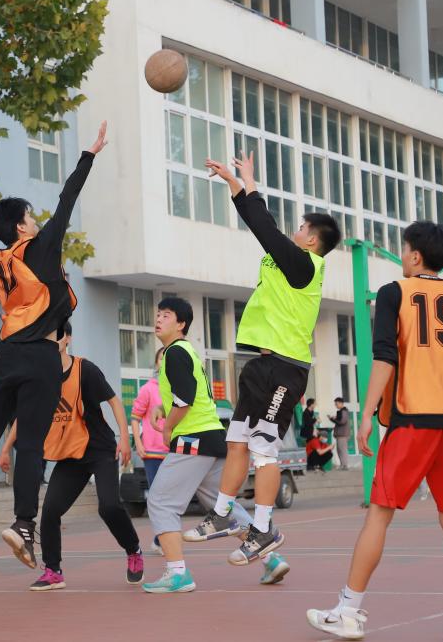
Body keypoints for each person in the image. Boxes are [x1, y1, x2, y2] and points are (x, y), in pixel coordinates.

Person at [306, 221, 443, 641]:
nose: (401, 257)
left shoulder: (395, 291)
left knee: (379, 514)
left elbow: (384, 356)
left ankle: (348, 610)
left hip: (413, 418)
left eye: (403, 250)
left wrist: (367, 412)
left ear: (414, 256)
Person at [0, 121, 108, 569]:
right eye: (31, 217)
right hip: (40, 357)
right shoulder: (42, 246)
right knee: (30, 444)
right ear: (21, 225)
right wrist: (89, 155)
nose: (37, 221)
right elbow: (68, 198)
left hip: (5, 356)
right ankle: (21, 525)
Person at [201, 153, 341, 567]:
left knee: (263, 450)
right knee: (236, 441)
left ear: (312, 240)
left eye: (301, 228)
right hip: (261, 363)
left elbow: (265, 227)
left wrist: (247, 183)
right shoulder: (287, 260)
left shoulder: (305, 266)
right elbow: (261, 224)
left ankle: (264, 529)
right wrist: (238, 183)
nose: (295, 232)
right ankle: (222, 513)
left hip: (286, 367)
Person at [142, 298, 289, 594]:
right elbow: (188, 396)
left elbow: (185, 400)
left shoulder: (174, 352)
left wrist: (168, 427)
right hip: (212, 437)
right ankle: (270, 558)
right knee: (223, 507)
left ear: (181, 324)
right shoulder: (187, 351)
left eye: (166, 315)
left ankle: (177, 573)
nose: (158, 319)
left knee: (160, 501)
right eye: (157, 314)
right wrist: (162, 408)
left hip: (193, 439)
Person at [0, 322, 143, 591]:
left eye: (54, 337)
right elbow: (25, 415)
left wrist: (124, 438)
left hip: (100, 450)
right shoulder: (39, 378)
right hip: (69, 455)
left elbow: (114, 401)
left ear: (67, 339)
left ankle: (133, 549)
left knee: (109, 507)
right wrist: (6, 448)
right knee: (51, 511)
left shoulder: (85, 370)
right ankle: (53, 571)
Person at [130, 347, 169, 554]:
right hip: (152, 453)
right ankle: (161, 540)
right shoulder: (148, 389)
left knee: (170, 497)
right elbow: (135, 418)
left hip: (173, 451)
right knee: (158, 497)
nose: (165, 362)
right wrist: (139, 443)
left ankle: (159, 539)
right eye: (162, 358)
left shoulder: (176, 389)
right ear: (156, 363)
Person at [333, 397, 352, 470]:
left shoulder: (344, 411)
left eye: (336, 404)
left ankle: (345, 465)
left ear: (341, 403)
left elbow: (342, 422)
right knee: (339, 450)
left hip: (343, 434)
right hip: (340, 434)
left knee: (342, 450)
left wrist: (334, 419)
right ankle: (342, 465)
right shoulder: (341, 411)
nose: (336, 405)